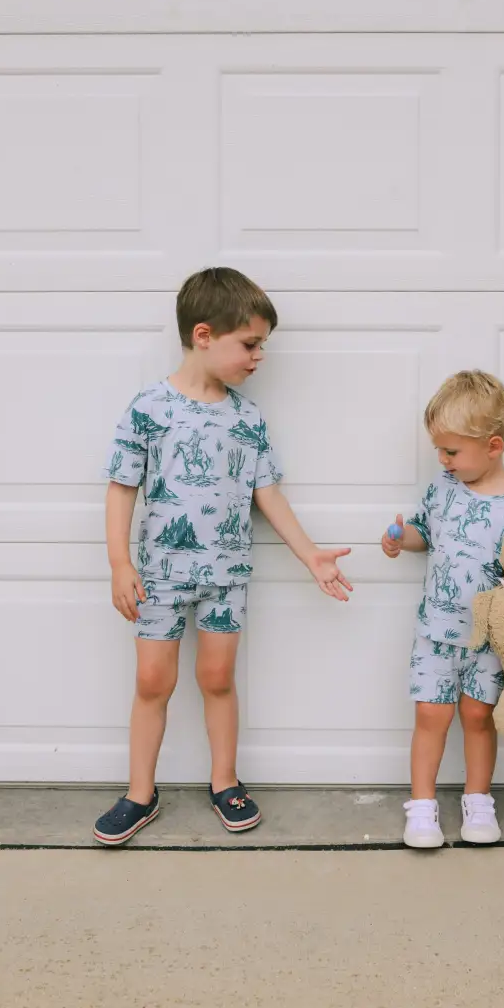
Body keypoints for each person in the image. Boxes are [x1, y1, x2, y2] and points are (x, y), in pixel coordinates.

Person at [93, 267, 353, 846]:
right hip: (158, 576)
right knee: (151, 682)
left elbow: (268, 495)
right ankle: (140, 793)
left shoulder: (247, 418)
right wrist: (119, 563)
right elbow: (121, 488)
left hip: (226, 576)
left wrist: (311, 555)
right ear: (205, 335)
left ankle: (225, 781)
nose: (259, 356)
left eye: (262, 344)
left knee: (217, 677)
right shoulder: (149, 408)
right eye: (251, 344)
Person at [381, 370, 504, 848]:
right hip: (436, 632)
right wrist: (400, 540)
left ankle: (478, 800)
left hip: (491, 641)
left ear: (493, 445)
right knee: (430, 718)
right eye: (440, 449)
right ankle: (422, 808)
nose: (442, 459)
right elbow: (424, 534)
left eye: (451, 451)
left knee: (479, 717)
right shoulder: (442, 489)